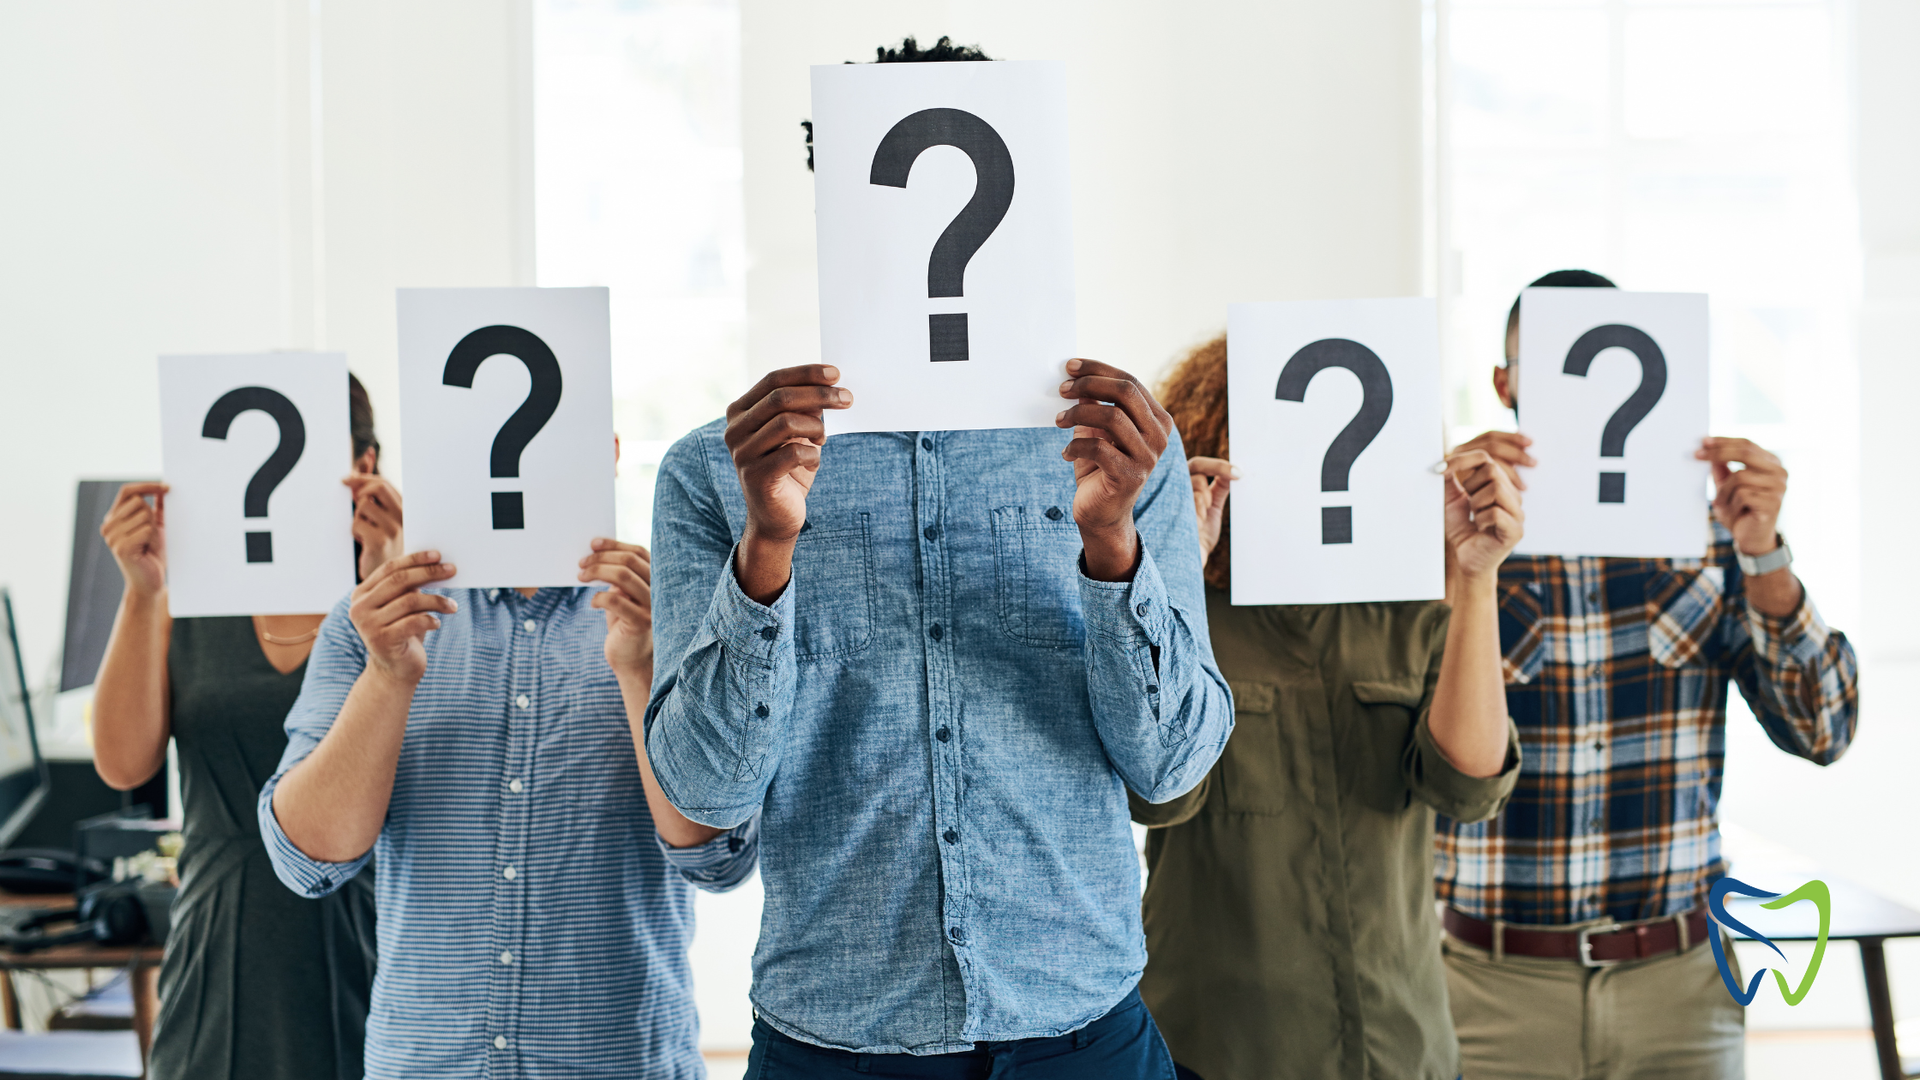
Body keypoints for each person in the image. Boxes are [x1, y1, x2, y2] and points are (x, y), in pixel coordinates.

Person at [645, 43, 1233, 1078]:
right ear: (838, 203)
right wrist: (767, 554)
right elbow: (705, 794)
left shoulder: (1126, 447)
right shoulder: (718, 470)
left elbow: (1172, 763)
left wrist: (1112, 547)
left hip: (1085, 1035)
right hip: (835, 1041)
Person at [1436, 270, 1860, 1079]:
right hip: (1489, 989)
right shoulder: (1450, 535)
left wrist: (1766, 558)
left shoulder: (1713, 532)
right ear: (1504, 384)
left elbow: (1824, 729)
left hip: (1681, 986)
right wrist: (1447, 555)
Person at [258, 440, 754, 1079]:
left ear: (608, 449)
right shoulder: (371, 624)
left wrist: (640, 667)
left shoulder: (678, 612)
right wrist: (386, 676)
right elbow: (304, 861)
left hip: (622, 1063)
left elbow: (719, 858)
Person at [1129, 336, 1524, 1080]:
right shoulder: (1192, 620)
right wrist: (1172, 571)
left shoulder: (1409, 613)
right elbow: (1161, 796)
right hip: (1218, 1050)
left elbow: (1469, 788)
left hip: (1398, 1042)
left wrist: (1474, 579)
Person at [91, 373, 397, 1080]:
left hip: (373, 929)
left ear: (365, 463)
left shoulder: (394, 597)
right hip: (221, 945)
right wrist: (144, 592)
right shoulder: (187, 595)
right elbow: (122, 765)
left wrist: (385, 570)